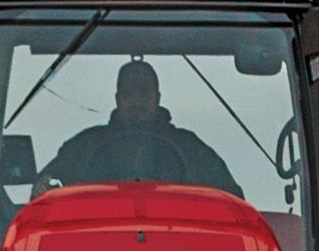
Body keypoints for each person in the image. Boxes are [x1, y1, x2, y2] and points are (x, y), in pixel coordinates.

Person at [39, 56, 243, 197]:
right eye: (129, 94)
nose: (136, 101)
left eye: (144, 93)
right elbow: (46, 190)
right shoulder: (83, 147)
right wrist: (47, 184)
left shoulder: (191, 149)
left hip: (179, 248)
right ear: (118, 99)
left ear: (157, 98)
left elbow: (229, 198)